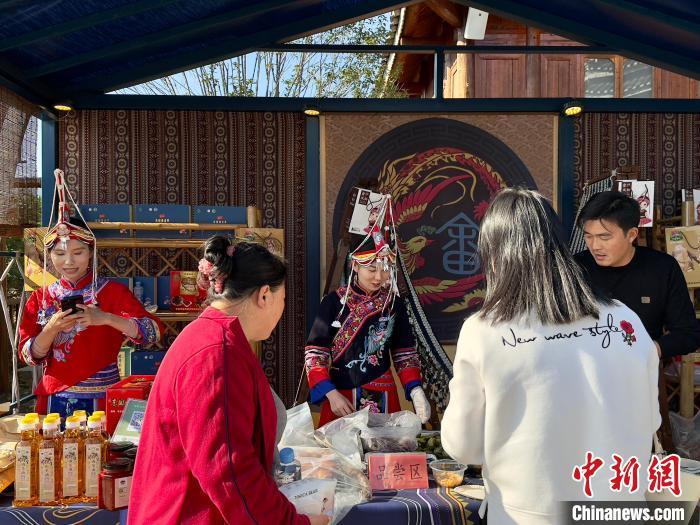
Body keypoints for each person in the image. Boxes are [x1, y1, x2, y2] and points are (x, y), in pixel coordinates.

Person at [441, 188, 660, 525]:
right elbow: (650, 422)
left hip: (531, 514)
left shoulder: (485, 330)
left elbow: (463, 445)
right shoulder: (624, 319)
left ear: (496, 255)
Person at [129, 237, 328, 525]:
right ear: (264, 296)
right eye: (283, 299)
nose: (281, 310)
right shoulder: (215, 352)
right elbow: (229, 472)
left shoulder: (219, 339)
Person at [18, 170, 162, 417]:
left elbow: (152, 332)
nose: (69, 261)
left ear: (91, 253)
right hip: (55, 399)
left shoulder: (113, 292)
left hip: (105, 398)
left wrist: (104, 318)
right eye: (60, 254)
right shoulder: (41, 298)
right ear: (50, 256)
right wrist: (51, 328)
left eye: (78, 252)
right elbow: (28, 356)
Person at [305, 196, 430, 426]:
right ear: (355, 265)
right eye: (371, 269)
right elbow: (316, 353)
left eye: (384, 270)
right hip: (341, 396)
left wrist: (415, 389)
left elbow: (404, 353)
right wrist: (330, 393)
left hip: (384, 393)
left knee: (384, 455)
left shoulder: (394, 304)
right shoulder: (333, 302)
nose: (378, 277)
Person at [574, 190, 700, 359]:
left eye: (604, 237)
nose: (595, 246)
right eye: (588, 236)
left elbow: (688, 333)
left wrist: (648, 350)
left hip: (641, 368)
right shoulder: (575, 269)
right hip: (585, 369)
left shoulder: (662, 268)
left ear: (632, 234)